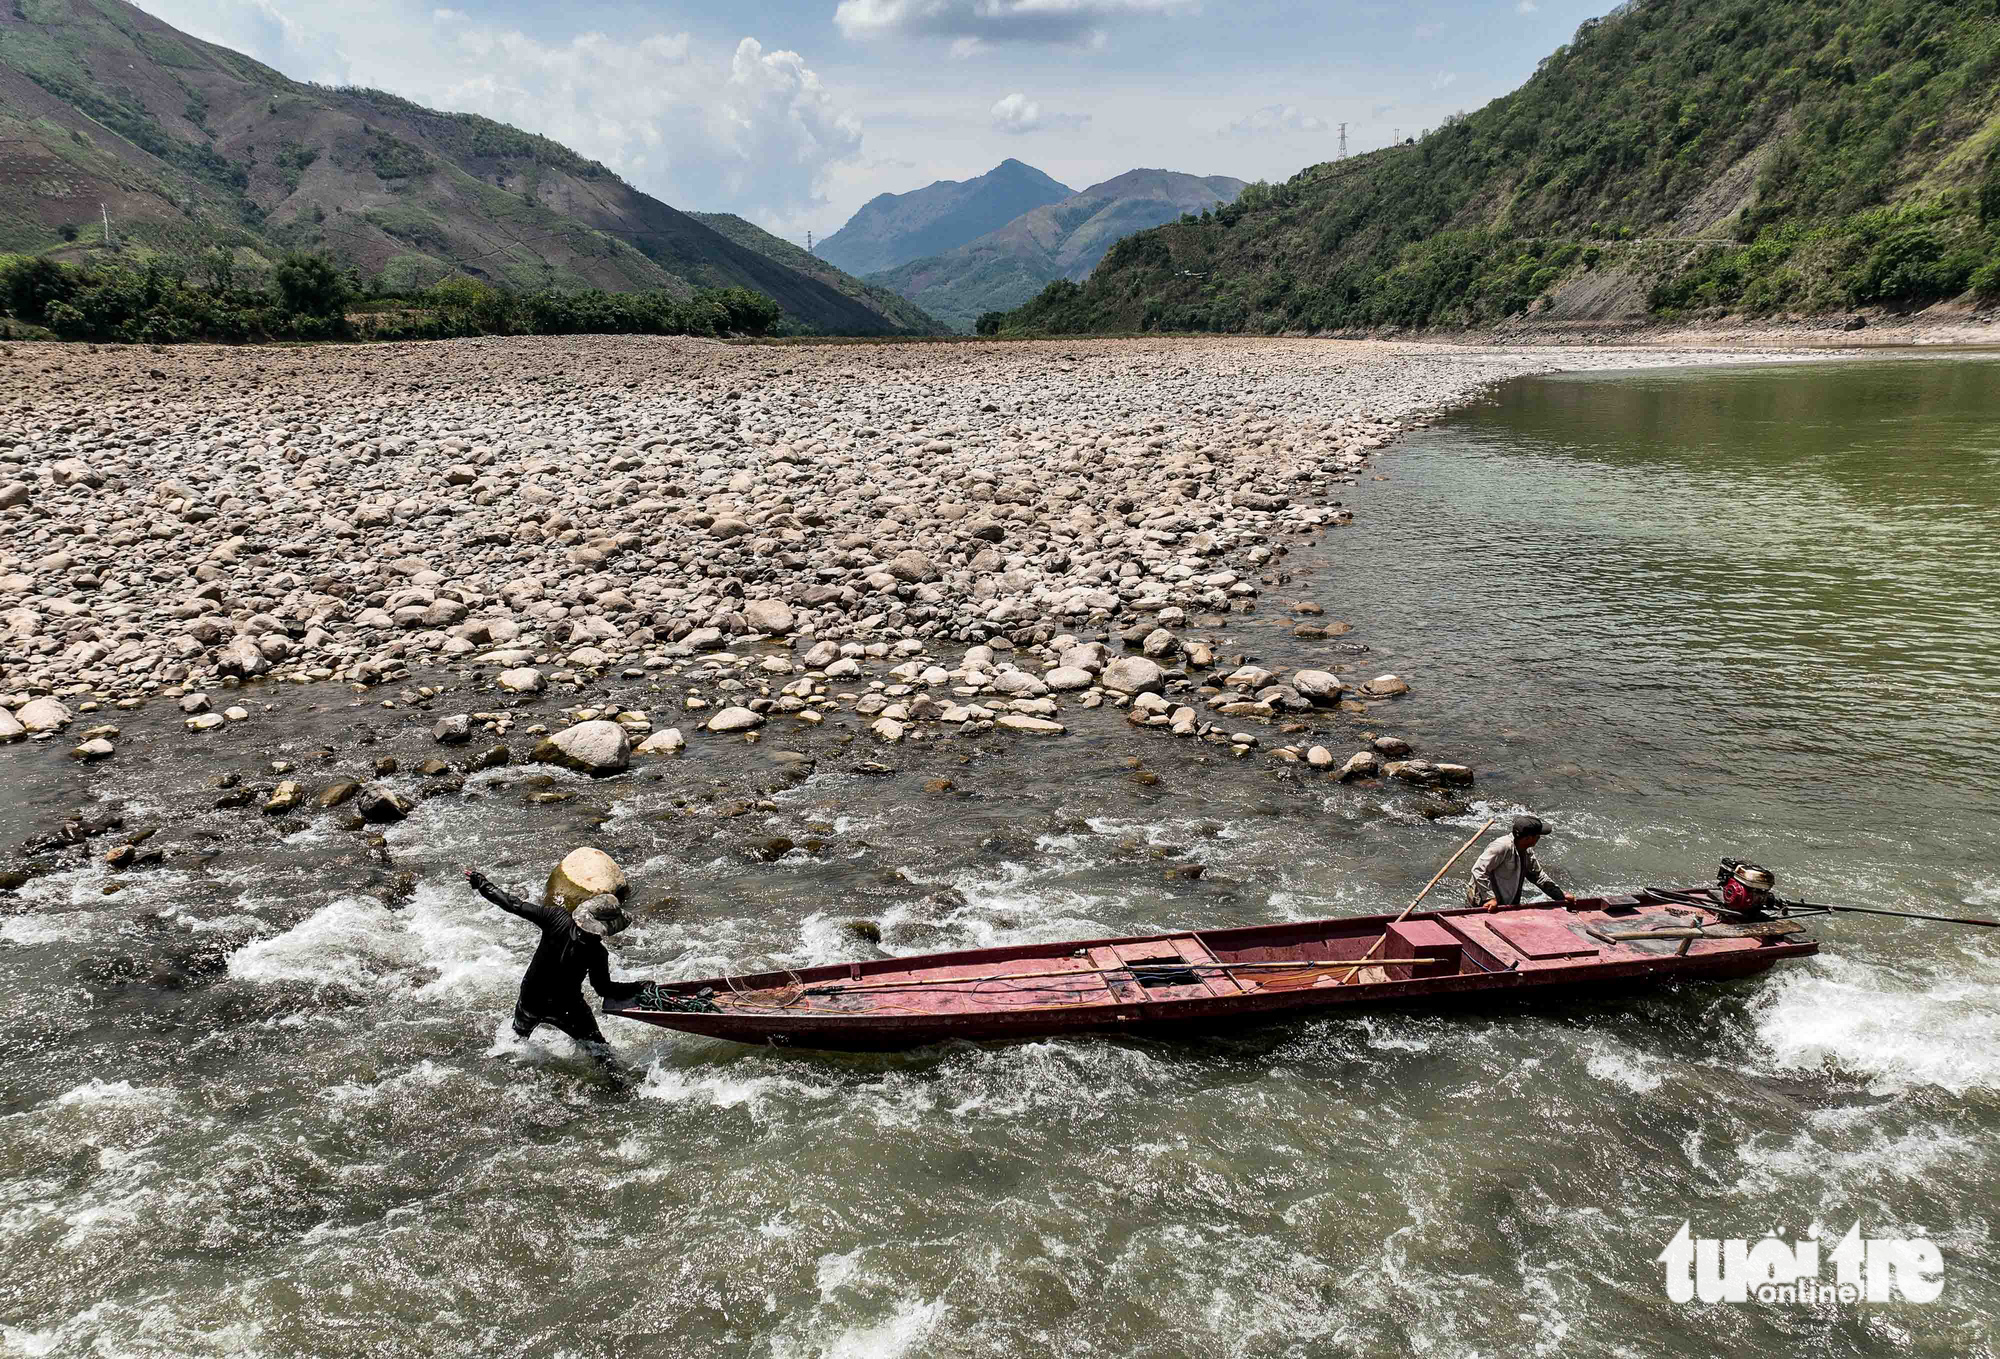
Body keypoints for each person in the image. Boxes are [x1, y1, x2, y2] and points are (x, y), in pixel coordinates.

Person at [462, 865, 647, 1069]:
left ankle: (494, 1070)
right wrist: (637, 987)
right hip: (567, 1008)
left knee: (513, 1043)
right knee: (601, 1053)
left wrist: (483, 884)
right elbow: (604, 989)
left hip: (532, 997)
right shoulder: (597, 952)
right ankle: (622, 1091)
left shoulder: (556, 917)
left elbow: (514, 905)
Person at [1465, 815, 1571, 910]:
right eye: (1538, 835)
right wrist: (1489, 898)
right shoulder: (1501, 847)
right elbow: (1478, 870)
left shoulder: (1526, 850)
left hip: (1506, 901)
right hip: (1483, 902)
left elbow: (1537, 875)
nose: (1539, 838)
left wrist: (1560, 895)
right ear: (1528, 838)